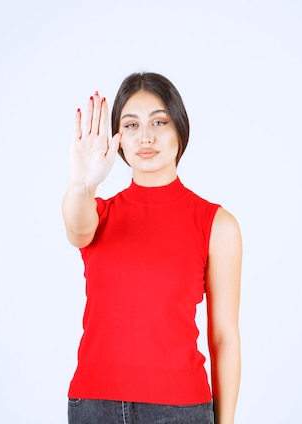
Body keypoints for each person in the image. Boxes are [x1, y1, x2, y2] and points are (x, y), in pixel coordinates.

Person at [62, 72, 242, 424]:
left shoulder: (217, 225)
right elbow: (76, 228)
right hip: (95, 407)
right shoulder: (96, 212)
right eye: (131, 125)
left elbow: (224, 337)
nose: (145, 136)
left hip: (179, 410)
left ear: (179, 128)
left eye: (159, 121)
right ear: (118, 139)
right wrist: (83, 183)